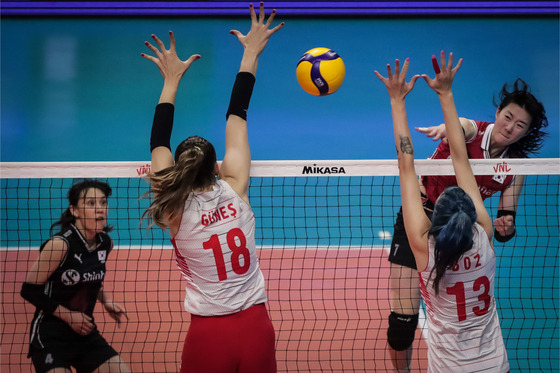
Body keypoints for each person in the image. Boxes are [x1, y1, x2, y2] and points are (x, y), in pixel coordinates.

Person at [140, 3, 284, 373]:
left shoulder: (173, 207)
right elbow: (237, 113)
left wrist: (170, 80)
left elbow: (158, 139)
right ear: (216, 166)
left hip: (209, 336)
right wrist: (251, 52)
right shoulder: (235, 187)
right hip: (256, 327)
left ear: (179, 169)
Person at [385, 64, 548, 368]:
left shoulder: (515, 168)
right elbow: (461, 129)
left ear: (526, 132)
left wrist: (505, 225)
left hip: (464, 231)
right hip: (422, 216)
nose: (509, 127)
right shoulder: (476, 131)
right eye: (507, 116)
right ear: (498, 112)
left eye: (519, 125)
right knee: (402, 324)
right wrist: (447, 127)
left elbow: (504, 224)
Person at [375, 52, 510, 372]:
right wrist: (446, 94)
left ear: (435, 220)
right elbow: (462, 160)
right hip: (495, 365)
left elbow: (407, 165)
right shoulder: (484, 236)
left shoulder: (425, 250)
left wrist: (397, 101)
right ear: (471, 214)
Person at [20, 180, 130, 373]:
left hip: (84, 335)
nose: (100, 209)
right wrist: (70, 317)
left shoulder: (105, 243)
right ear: (75, 210)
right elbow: (29, 290)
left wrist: (106, 301)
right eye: (90, 204)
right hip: (51, 338)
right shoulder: (60, 245)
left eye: (103, 203)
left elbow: (91, 277)